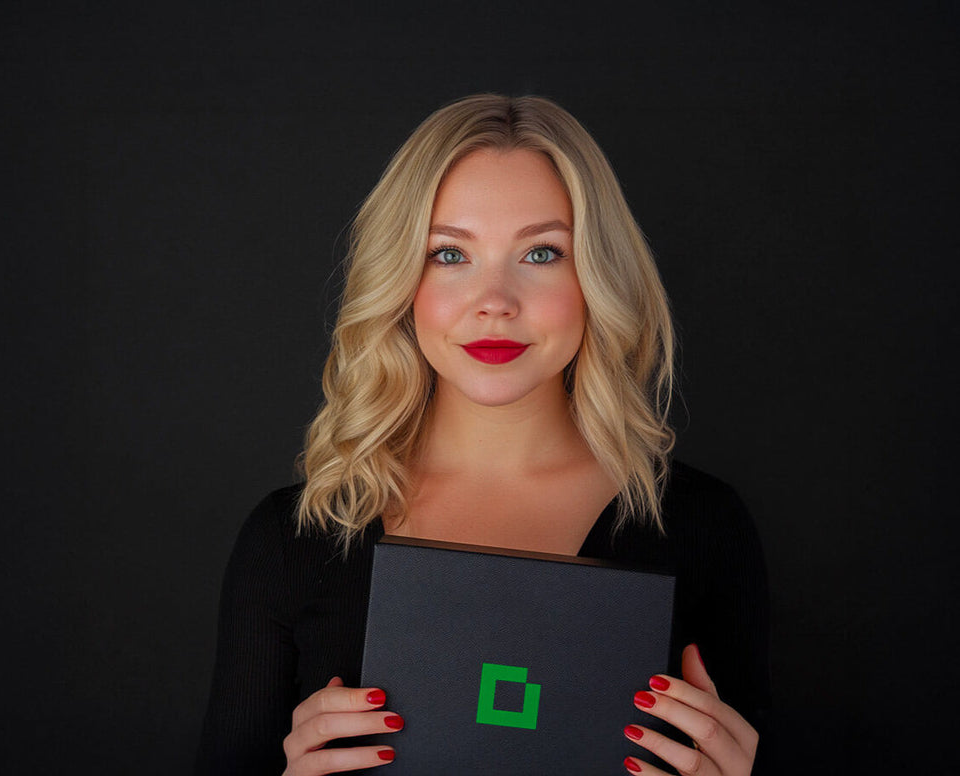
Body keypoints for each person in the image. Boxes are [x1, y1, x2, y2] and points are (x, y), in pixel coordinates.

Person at [196, 94, 770, 776]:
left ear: (596, 276)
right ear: (402, 281)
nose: (494, 299)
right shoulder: (293, 538)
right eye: (449, 253)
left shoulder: (705, 527)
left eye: (540, 252)